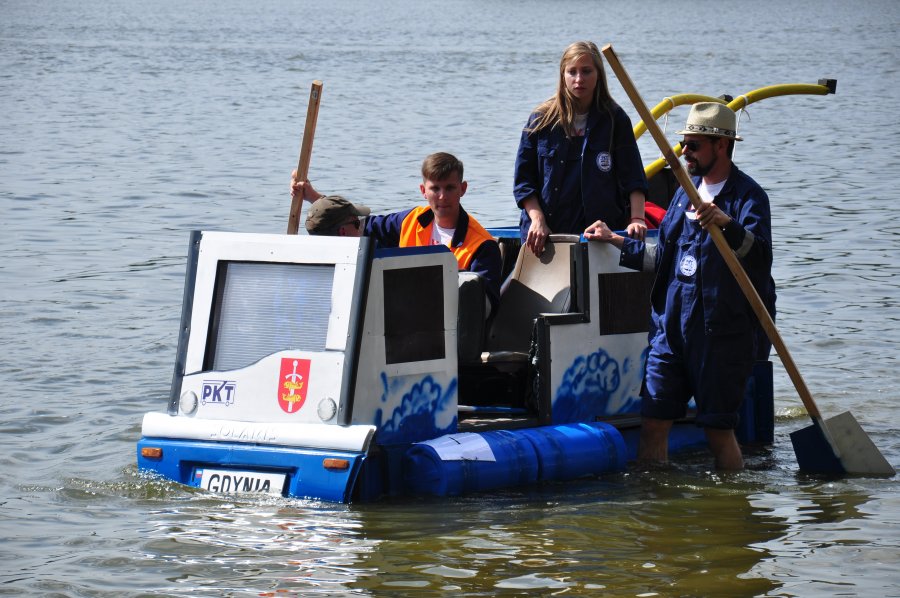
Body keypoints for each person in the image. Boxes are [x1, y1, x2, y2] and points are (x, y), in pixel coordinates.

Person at [583, 102, 774, 470]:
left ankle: (732, 509)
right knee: (653, 423)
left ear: (721, 146)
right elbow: (662, 260)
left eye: (694, 145)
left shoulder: (748, 197)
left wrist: (727, 224)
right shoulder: (682, 193)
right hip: (670, 332)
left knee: (718, 430)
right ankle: (654, 509)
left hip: (720, 334)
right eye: (683, 144)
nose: (684, 152)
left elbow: (761, 259)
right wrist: (615, 239)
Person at [291, 152, 502, 315]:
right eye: (435, 188)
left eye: (450, 188)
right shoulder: (409, 220)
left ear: (463, 189)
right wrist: (315, 199)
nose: (442, 196)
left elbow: (483, 312)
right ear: (423, 190)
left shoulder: (483, 246)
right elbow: (352, 226)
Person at [514, 41, 649, 257]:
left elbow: (633, 177)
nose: (579, 79)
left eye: (586, 71)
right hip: (547, 235)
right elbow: (523, 183)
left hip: (599, 235)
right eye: (572, 72)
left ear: (598, 75)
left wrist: (637, 219)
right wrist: (537, 220)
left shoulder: (615, 119)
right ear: (563, 75)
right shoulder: (540, 120)